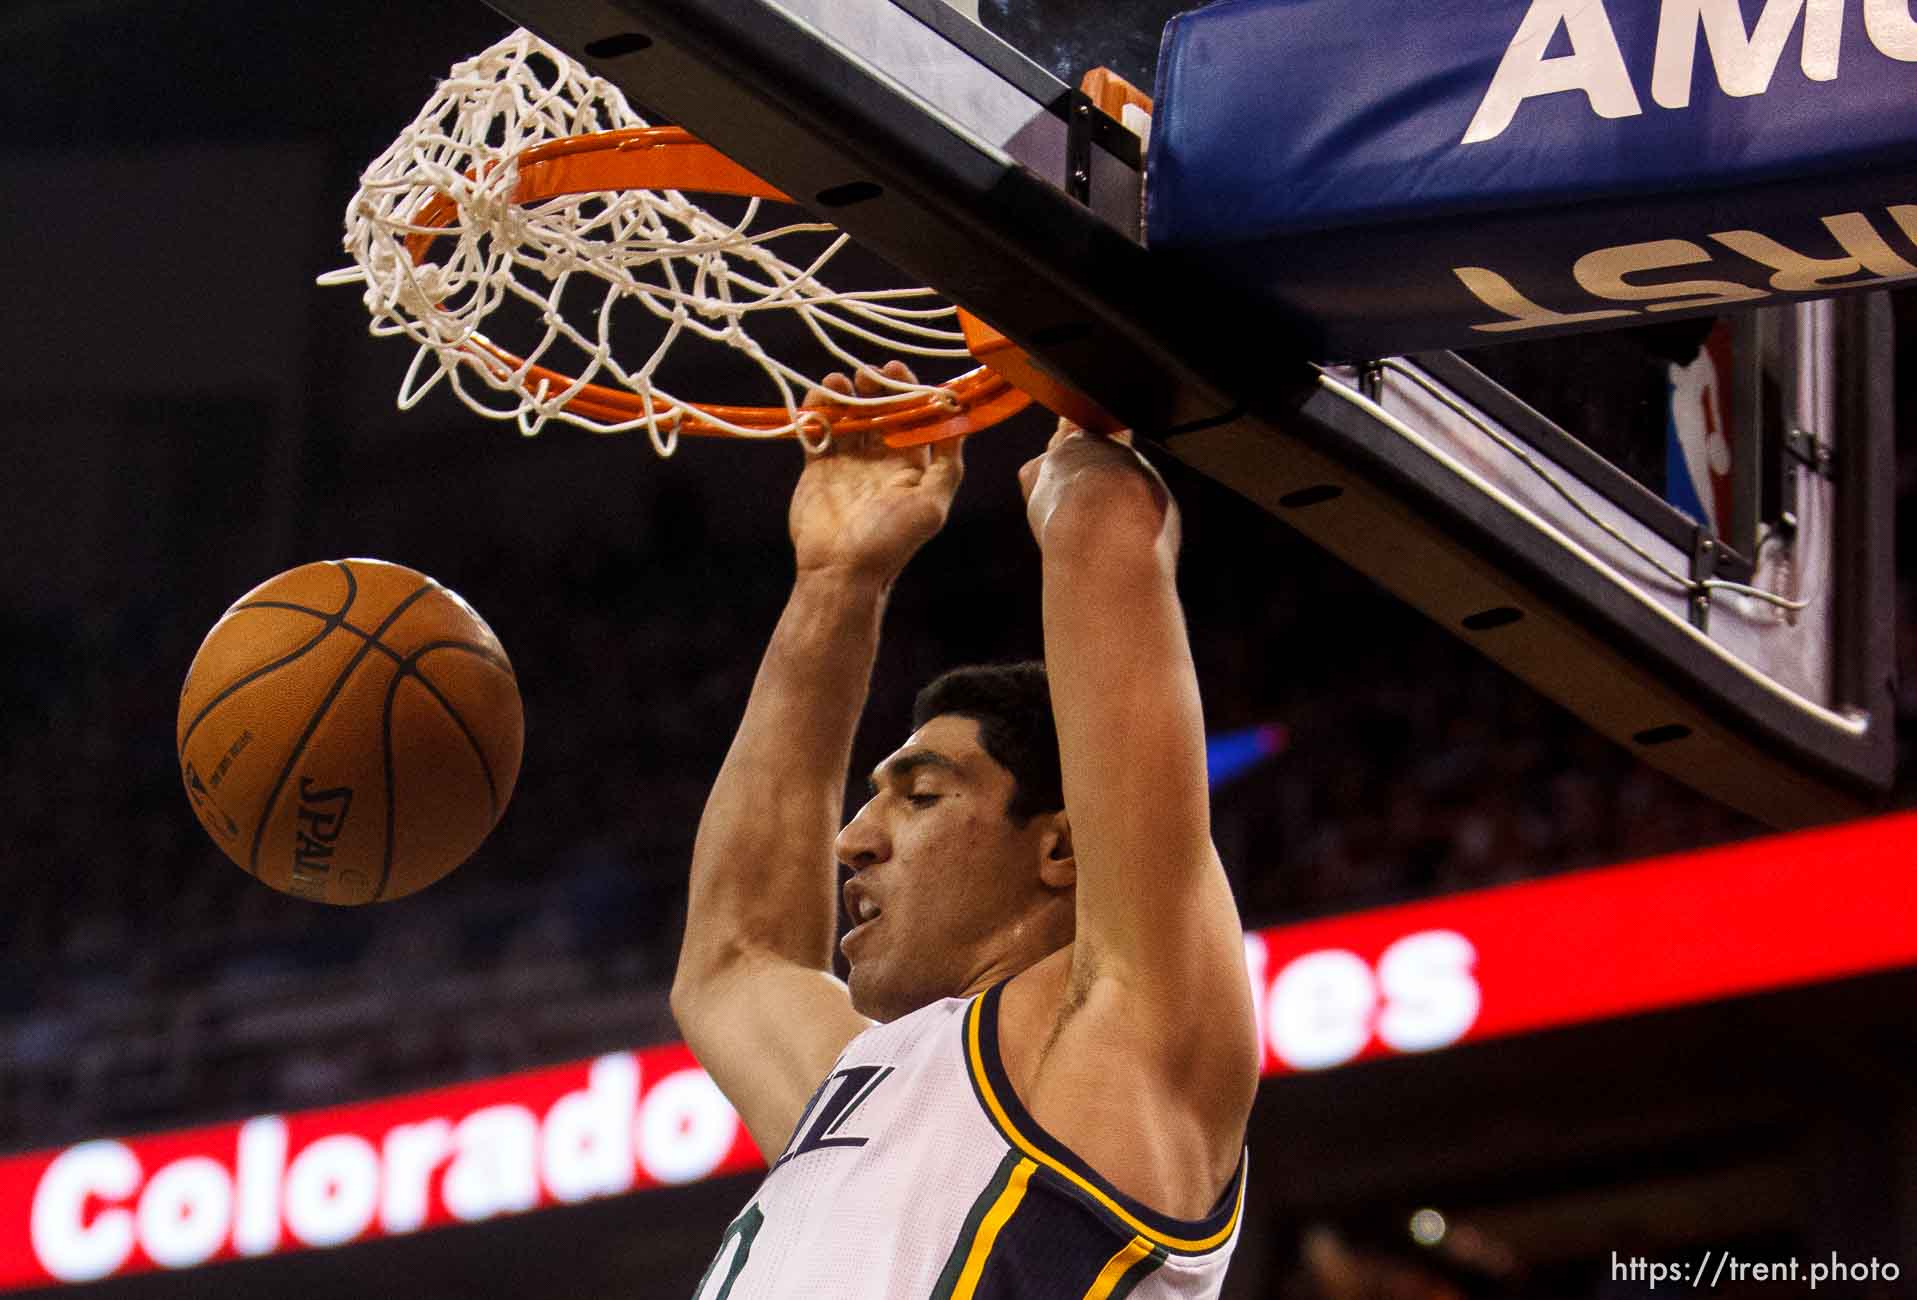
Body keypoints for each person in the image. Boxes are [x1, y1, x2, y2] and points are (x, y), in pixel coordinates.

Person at [671, 363, 1259, 1298]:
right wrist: (835, 580)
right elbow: (735, 959)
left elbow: (1105, 542)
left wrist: (1079, 418)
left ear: (1062, 848)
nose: (851, 840)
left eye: (921, 796)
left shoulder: (1117, 1044)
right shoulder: (862, 1083)